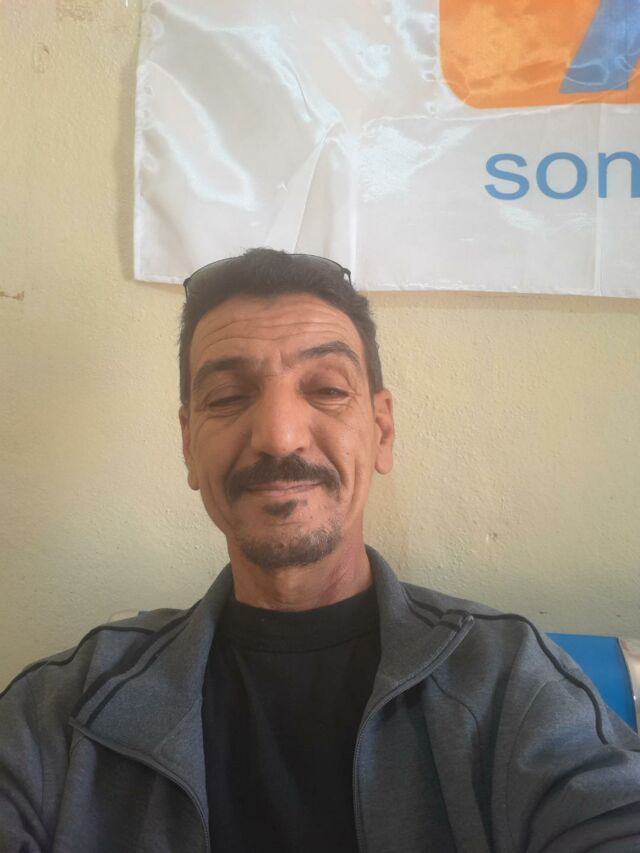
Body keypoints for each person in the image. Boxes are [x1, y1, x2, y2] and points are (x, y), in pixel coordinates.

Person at [1, 249, 639, 853]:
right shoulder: (61, 710)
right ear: (189, 444)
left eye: (328, 389)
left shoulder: (509, 681)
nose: (279, 436)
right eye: (228, 397)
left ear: (382, 430)